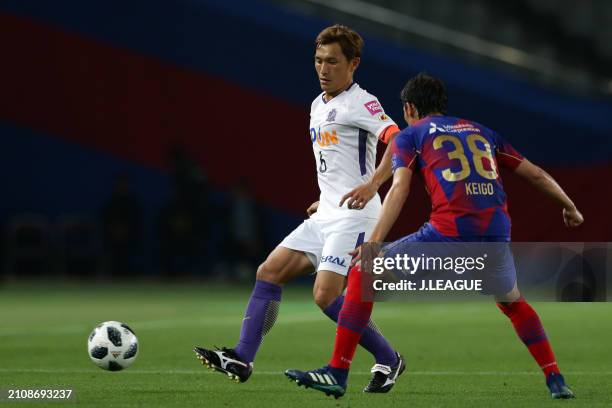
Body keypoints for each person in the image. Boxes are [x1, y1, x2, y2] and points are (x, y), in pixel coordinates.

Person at [286, 73, 583, 399]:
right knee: (512, 303)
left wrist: (373, 244)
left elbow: (399, 188)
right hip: (495, 236)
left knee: (361, 272)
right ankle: (554, 378)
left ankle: (338, 371)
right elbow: (536, 174)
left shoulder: (411, 135)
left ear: (410, 108)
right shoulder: (481, 131)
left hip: (449, 235)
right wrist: (569, 206)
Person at [194, 25, 406, 392]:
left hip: (357, 214)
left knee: (325, 295)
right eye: (318, 61)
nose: (324, 69)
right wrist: (324, 197)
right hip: (327, 211)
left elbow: (399, 139)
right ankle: (242, 358)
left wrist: (374, 183)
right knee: (269, 271)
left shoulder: (362, 102)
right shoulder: (317, 104)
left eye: (333, 62)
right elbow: (336, 162)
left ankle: (389, 358)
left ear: (353, 64)